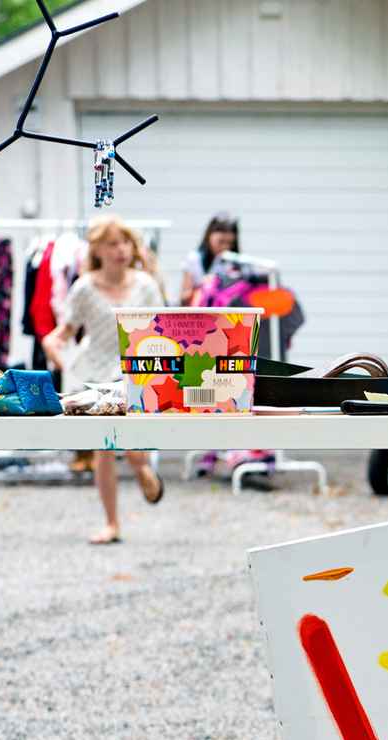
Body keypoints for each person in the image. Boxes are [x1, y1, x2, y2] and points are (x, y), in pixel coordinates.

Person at [41, 215, 166, 544]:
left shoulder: (145, 285)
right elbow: (63, 333)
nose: (121, 249)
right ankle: (112, 523)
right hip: (94, 371)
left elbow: (163, 329)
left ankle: (140, 466)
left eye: (125, 242)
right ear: (98, 249)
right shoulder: (84, 287)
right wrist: (52, 347)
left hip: (134, 369)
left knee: (133, 446)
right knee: (104, 449)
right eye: (112, 243)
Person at [179, 213, 239, 304]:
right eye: (221, 242)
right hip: (198, 313)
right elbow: (184, 298)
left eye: (230, 243)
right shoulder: (194, 259)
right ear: (209, 236)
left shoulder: (234, 262)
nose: (225, 247)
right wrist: (205, 286)